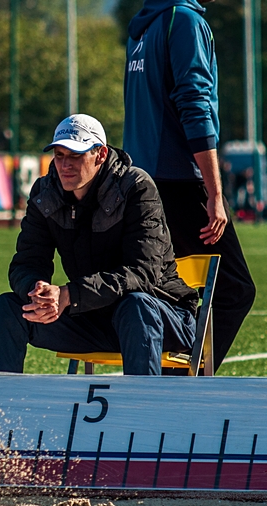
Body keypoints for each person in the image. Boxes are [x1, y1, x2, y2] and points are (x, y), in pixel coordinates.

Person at [0, 114, 200, 375]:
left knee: (135, 304)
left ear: (101, 154)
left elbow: (142, 274)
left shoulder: (136, 187)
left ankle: (143, 411)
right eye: (59, 155)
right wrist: (36, 290)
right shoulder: (45, 192)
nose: (65, 165)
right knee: (9, 308)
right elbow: (27, 262)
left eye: (75, 155)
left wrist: (70, 295)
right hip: (92, 317)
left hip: (162, 314)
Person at [123, 0, 256, 371]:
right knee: (233, 289)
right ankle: (180, 379)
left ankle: (162, 376)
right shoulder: (184, 21)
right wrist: (215, 193)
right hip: (179, 181)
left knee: (168, 287)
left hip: (142, 180)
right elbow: (194, 105)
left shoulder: (143, 27)